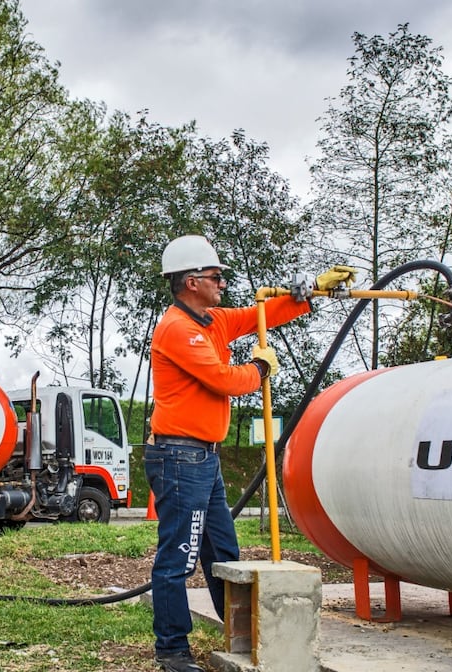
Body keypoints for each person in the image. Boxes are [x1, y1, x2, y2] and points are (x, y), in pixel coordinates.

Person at [145, 235, 355, 672]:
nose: (222, 282)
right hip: (179, 459)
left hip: (202, 457)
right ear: (190, 282)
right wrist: (260, 368)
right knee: (178, 558)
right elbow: (225, 380)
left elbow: (259, 313)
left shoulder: (211, 320)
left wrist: (312, 288)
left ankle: (238, 634)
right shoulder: (177, 329)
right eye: (215, 276)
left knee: (223, 551)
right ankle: (172, 651)